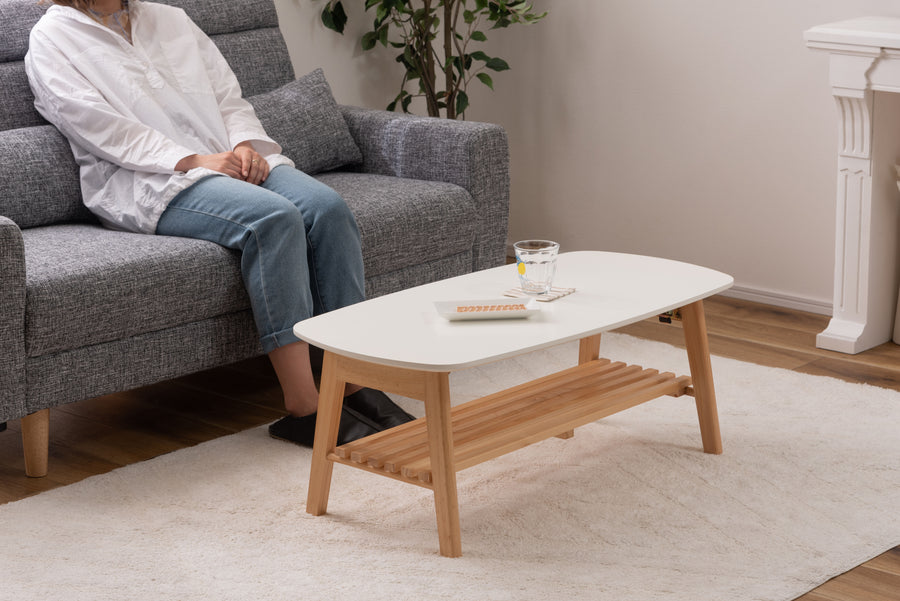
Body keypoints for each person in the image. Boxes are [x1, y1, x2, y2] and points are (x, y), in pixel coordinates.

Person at [24, 0, 414, 446]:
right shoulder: (52, 38)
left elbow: (228, 94)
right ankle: (304, 407)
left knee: (327, 209)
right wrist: (194, 160)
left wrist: (245, 145)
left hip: (230, 158)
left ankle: (354, 383)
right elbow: (99, 126)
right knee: (272, 219)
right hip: (150, 178)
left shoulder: (169, 18)